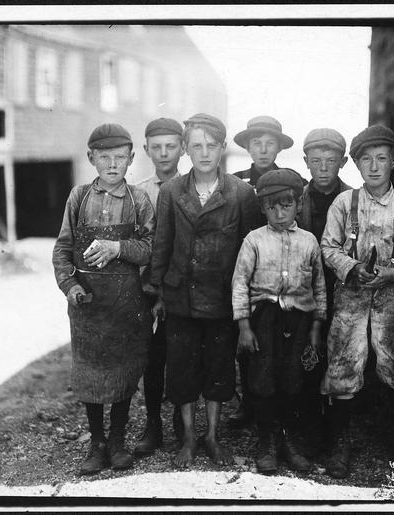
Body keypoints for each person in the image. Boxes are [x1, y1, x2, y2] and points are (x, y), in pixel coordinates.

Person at [320, 124, 394, 478]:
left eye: (381, 159)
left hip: (392, 299)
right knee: (344, 362)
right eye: (366, 160)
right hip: (351, 298)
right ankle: (340, 441)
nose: (374, 167)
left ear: (393, 162)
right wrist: (352, 268)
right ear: (356, 164)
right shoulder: (344, 203)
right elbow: (328, 247)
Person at [150, 113, 261, 468]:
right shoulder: (171, 191)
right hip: (180, 297)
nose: (204, 153)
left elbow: (248, 251)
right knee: (181, 369)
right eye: (196, 146)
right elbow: (162, 245)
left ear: (223, 148)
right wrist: (159, 294)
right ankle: (188, 437)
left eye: (211, 146)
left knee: (218, 368)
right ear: (185, 149)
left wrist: (243, 300)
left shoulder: (240, 193)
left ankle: (212, 436)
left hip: (221, 298)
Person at [52, 123, 155, 475]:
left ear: (131, 158)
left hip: (126, 304)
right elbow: (62, 249)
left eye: (120, 158)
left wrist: (118, 248)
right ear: (91, 158)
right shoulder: (78, 198)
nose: (113, 165)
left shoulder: (139, 200)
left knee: (124, 373)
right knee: (91, 375)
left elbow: (150, 249)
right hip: (88, 305)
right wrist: (70, 286)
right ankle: (96, 443)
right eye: (105, 157)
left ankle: (117, 441)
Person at [232, 168, 327, 475]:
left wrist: (316, 327)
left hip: (299, 320)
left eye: (286, 205)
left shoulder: (309, 242)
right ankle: (266, 443)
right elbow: (240, 283)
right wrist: (244, 326)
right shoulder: (254, 240)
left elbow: (319, 287)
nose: (279, 213)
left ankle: (287, 441)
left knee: (292, 380)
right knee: (263, 379)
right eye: (271, 207)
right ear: (262, 208)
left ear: (298, 205)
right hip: (264, 318)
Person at [229, 115, 298, 429]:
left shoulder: (292, 181)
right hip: (245, 267)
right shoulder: (236, 181)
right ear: (247, 146)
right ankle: (249, 402)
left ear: (279, 147)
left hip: (279, 270)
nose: (263, 149)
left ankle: (280, 406)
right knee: (246, 340)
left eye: (270, 143)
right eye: (256, 143)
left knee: (279, 338)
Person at [295, 128, 352, 457]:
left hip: (343, 290)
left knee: (343, 359)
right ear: (306, 162)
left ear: (342, 162)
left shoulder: (355, 200)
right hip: (305, 291)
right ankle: (311, 429)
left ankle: (339, 433)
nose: (323, 167)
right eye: (316, 161)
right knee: (308, 356)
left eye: (331, 161)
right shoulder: (296, 200)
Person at [132, 117, 185, 456]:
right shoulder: (138, 192)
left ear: (182, 148)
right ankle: (153, 424)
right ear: (146, 149)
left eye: (171, 146)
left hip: (179, 289)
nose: (164, 153)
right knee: (151, 359)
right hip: (145, 289)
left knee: (180, 356)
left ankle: (182, 421)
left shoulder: (191, 187)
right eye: (157, 147)